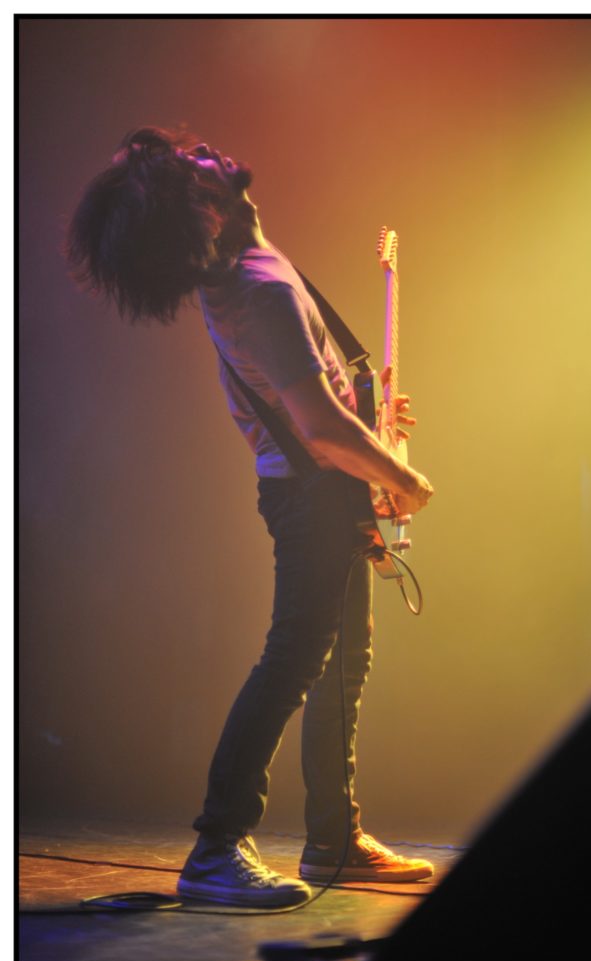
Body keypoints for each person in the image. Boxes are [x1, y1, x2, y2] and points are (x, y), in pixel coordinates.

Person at [66, 126, 435, 907]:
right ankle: (216, 847)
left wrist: (368, 416)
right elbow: (319, 430)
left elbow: (314, 400)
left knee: (341, 664)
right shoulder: (257, 289)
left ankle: (334, 838)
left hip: (323, 488)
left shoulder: (255, 268)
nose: (211, 156)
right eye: (193, 169)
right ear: (200, 210)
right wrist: (402, 476)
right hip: (313, 495)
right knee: (294, 661)